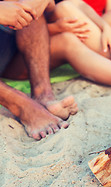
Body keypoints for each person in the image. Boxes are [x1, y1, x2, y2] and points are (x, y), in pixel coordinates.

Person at [0, 0, 78, 140]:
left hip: (10, 45)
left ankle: (43, 95)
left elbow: (51, 7)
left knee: (29, 9)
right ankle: (23, 106)